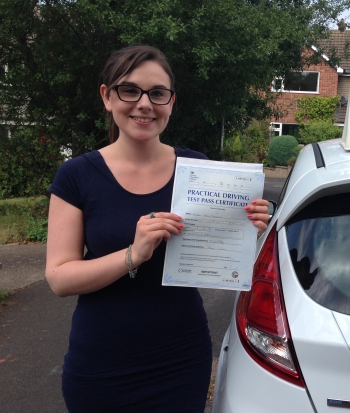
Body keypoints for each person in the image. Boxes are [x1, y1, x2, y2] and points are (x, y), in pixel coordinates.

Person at [45, 45, 270, 413]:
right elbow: (59, 278)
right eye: (129, 90)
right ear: (107, 96)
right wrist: (132, 255)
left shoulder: (198, 169)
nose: (144, 104)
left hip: (180, 360)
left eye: (157, 93)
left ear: (171, 101)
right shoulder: (77, 176)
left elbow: (215, 257)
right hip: (101, 364)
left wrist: (246, 233)